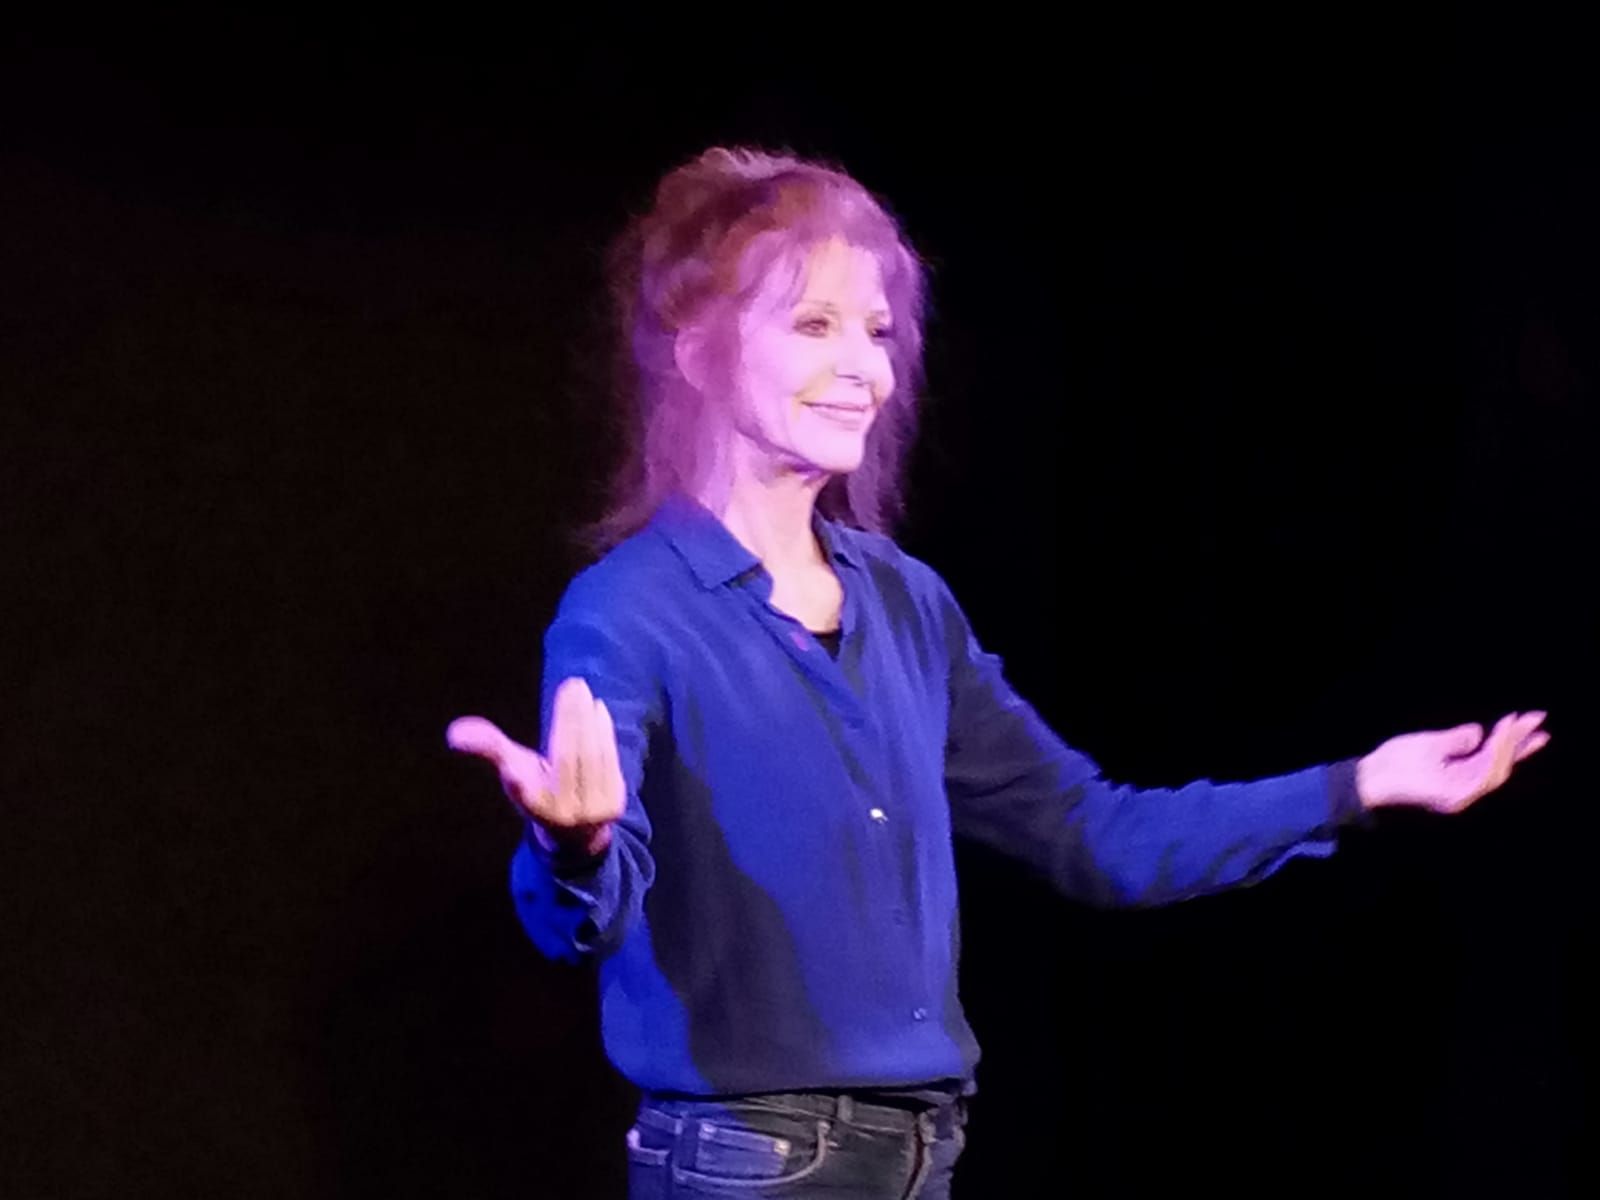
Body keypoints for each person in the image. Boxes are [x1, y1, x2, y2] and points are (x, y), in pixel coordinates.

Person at [446, 146, 1550, 1199]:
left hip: (922, 1150)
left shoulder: (906, 604)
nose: (866, 369)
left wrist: (1355, 785)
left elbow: (1094, 834)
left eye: (878, 331)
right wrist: (575, 847)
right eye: (814, 324)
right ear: (696, 349)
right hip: (751, 1159)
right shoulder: (633, 610)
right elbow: (578, 920)